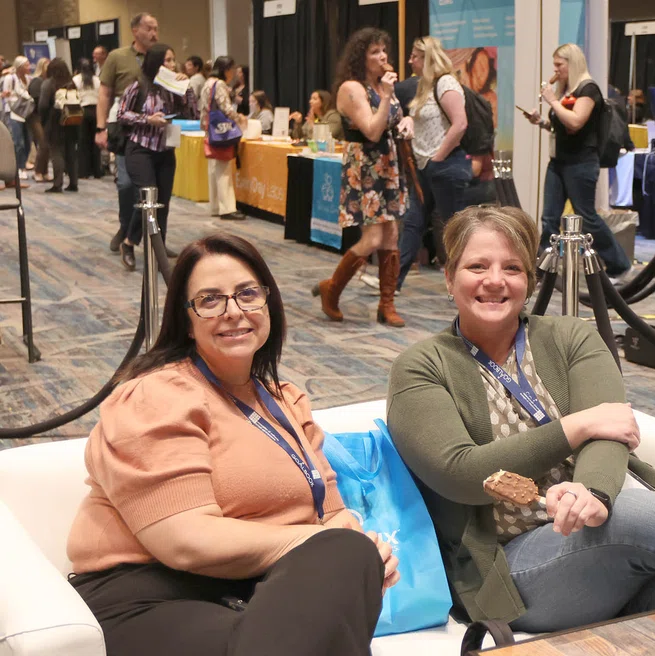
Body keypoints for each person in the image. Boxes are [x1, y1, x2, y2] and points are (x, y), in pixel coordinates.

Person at [387, 204, 655, 633]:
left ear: (529, 281)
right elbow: (463, 472)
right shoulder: (420, 367)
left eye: (512, 267)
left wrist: (592, 493)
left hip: (600, 538)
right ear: (449, 277)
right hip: (512, 569)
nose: (495, 280)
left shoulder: (570, 337)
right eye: (477, 265)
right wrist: (580, 425)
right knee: (634, 516)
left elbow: (612, 434)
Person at [67, 232, 399, 656]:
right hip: (152, 596)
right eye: (209, 300)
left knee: (347, 561)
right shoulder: (159, 396)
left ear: (268, 303)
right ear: (185, 320)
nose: (233, 311)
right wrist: (318, 544)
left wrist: (364, 555)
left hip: (257, 593)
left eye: (247, 294)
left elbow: (332, 516)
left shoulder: (286, 401)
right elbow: (185, 541)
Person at [312, 28, 410, 327]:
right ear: (361, 57)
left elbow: (396, 118)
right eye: (374, 52)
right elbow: (371, 129)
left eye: (384, 50)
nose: (382, 57)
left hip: (389, 162)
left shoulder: (382, 87)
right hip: (366, 164)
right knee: (373, 238)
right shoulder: (351, 88)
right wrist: (388, 97)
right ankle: (332, 288)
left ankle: (386, 304)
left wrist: (407, 121)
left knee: (392, 234)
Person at [527, 43, 632, 284]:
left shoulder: (588, 89)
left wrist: (552, 101)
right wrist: (541, 122)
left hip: (581, 163)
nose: (555, 70)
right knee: (550, 217)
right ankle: (545, 269)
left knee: (587, 218)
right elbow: (562, 127)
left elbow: (576, 122)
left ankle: (619, 265)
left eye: (559, 65)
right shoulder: (567, 90)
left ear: (571, 63)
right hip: (559, 162)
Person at [396, 36, 472, 293]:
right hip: (425, 167)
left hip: (445, 166)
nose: (410, 61)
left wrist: (437, 157)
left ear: (426, 58)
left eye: (414, 57)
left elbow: (460, 123)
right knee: (413, 222)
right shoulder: (424, 87)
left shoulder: (446, 82)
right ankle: (393, 283)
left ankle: (466, 285)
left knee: (454, 229)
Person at [117, 43, 198, 271]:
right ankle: (129, 242)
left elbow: (193, 114)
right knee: (148, 198)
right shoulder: (138, 86)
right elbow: (122, 114)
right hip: (140, 149)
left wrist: (186, 88)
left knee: (162, 202)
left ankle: (158, 247)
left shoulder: (174, 88)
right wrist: (147, 119)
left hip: (165, 150)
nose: (172, 65)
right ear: (156, 64)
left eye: (173, 60)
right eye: (167, 61)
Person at [96, 12, 159, 254]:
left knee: (149, 186)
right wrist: (101, 128)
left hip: (153, 130)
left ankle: (148, 237)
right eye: (149, 28)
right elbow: (104, 93)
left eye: (156, 28)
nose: (154, 33)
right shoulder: (118, 57)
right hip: (123, 127)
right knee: (125, 183)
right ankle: (125, 227)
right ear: (135, 30)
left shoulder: (161, 56)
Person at [200, 56, 247, 222]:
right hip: (222, 131)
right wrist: (239, 118)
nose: (233, 73)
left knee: (213, 170)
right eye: (232, 70)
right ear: (226, 69)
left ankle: (215, 206)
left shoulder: (207, 83)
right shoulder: (219, 85)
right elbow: (226, 108)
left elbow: (203, 108)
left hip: (210, 130)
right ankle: (227, 208)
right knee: (223, 170)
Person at [38, 58, 79, 193]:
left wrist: (43, 121)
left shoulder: (49, 84)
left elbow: (43, 105)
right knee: (71, 152)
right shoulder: (71, 83)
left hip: (54, 121)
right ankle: (73, 182)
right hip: (72, 120)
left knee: (56, 151)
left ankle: (57, 183)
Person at [2, 56, 33, 183]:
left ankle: (23, 164)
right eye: (26, 65)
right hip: (14, 112)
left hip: (26, 113)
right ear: (20, 66)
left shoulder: (28, 79)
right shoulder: (10, 78)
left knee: (27, 141)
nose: (29, 67)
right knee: (17, 141)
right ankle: (18, 168)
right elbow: (5, 95)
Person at [73, 58, 102, 179]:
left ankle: (83, 172)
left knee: (83, 142)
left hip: (82, 110)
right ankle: (96, 170)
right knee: (95, 142)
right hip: (96, 110)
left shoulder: (76, 79)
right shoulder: (97, 80)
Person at [27, 57, 51, 183]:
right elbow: (37, 100)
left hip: (45, 117)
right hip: (35, 116)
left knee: (47, 145)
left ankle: (45, 171)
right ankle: (37, 171)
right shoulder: (37, 81)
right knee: (42, 143)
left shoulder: (49, 81)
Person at [466, 47, 497, 124]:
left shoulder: (491, 99)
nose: (481, 76)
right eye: (480, 67)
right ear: (471, 67)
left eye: (486, 70)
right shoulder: (460, 92)